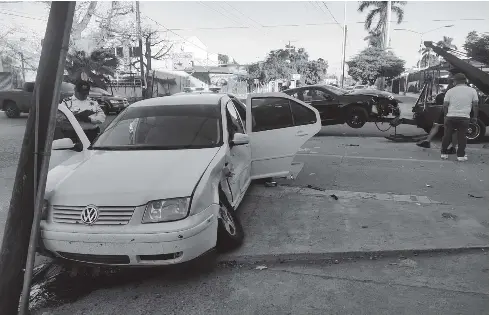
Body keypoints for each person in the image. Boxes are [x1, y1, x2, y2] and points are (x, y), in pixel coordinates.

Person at [441, 73, 479, 161]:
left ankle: (443, 153)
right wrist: (475, 117)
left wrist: (446, 116)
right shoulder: (472, 91)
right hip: (464, 117)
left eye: (453, 80)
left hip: (450, 116)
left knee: (447, 135)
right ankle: (460, 156)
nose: (453, 82)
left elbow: (445, 105)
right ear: (465, 81)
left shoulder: (450, 91)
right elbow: (476, 105)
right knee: (462, 137)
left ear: (456, 81)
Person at [416, 80, 457, 153]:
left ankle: (428, 141)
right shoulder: (457, 88)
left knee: (444, 127)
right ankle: (452, 147)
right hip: (451, 110)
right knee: (444, 127)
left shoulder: (453, 87)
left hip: (449, 110)